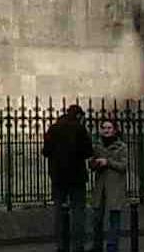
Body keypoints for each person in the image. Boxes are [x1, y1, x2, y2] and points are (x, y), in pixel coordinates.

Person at [42, 106, 95, 252]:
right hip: (77, 178)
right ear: (78, 116)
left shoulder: (53, 128)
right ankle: (78, 245)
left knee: (59, 211)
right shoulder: (80, 129)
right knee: (78, 212)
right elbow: (88, 151)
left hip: (58, 178)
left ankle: (61, 245)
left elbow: (45, 151)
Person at [89, 119, 131, 252]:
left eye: (109, 128)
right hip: (100, 187)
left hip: (115, 187)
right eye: (104, 128)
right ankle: (97, 245)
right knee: (97, 219)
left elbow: (123, 166)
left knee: (114, 218)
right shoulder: (97, 146)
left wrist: (108, 162)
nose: (106, 130)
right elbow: (91, 163)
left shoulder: (122, 146)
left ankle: (112, 246)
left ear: (114, 130)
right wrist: (95, 163)